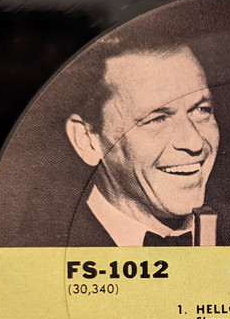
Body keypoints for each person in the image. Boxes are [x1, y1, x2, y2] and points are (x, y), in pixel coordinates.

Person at [64, 39, 220, 246]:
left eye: (202, 110)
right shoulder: (38, 245)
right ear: (87, 140)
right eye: (157, 119)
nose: (195, 143)